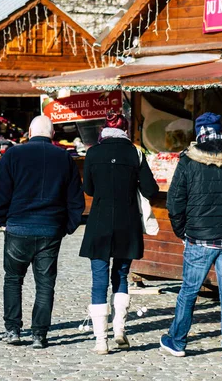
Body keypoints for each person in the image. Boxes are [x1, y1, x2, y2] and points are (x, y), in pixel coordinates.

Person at [160, 112, 222, 362]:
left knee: (189, 291)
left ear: (199, 132)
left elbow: (174, 202)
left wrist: (181, 230)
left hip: (199, 237)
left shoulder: (189, 159)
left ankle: (177, 340)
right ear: (220, 130)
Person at [0, 115, 84, 349]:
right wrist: (66, 227)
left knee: (12, 280)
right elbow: (76, 200)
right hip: (50, 228)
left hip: (18, 226)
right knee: (45, 284)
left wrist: (3, 221)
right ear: (53, 135)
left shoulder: (13, 155)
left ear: (29, 132)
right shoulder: (64, 158)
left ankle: (13, 330)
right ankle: (39, 334)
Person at [79, 111, 159, 354]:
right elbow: (150, 189)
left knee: (99, 278)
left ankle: (100, 340)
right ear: (126, 129)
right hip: (127, 221)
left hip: (100, 221)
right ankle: (120, 329)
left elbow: (89, 189)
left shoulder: (93, 152)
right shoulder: (135, 152)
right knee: (122, 274)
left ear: (105, 128)